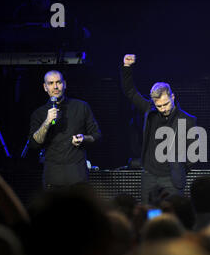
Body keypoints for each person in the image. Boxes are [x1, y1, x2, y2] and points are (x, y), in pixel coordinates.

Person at [120, 54, 197, 204]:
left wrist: (179, 168)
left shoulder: (187, 120)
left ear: (173, 97)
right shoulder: (150, 110)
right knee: (150, 215)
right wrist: (126, 68)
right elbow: (130, 92)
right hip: (150, 175)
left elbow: (193, 153)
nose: (163, 109)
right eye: (159, 106)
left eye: (166, 104)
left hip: (172, 177)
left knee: (174, 214)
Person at [29, 70, 101, 189]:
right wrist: (47, 121)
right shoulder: (39, 113)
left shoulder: (81, 107)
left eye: (59, 82)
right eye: (51, 83)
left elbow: (97, 135)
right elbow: (34, 143)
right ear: (45, 87)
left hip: (77, 176)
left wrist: (83, 138)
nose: (55, 87)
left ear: (65, 84)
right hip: (52, 177)